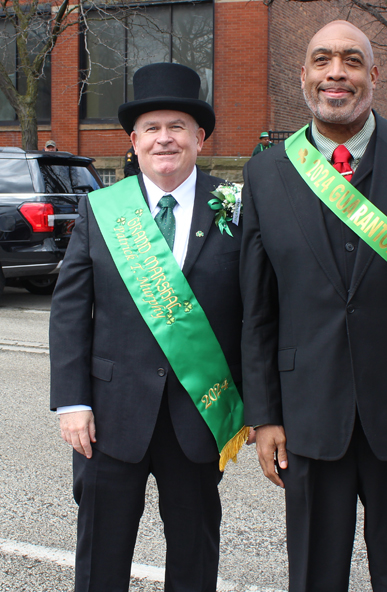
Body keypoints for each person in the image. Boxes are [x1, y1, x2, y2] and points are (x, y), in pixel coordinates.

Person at [240, 20, 387, 592]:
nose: (335, 74)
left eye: (350, 60)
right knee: (315, 574)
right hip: (307, 414)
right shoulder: (265, 172)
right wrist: (263, 415)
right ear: (304, 76)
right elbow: (258, 308)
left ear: (373, 75)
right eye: (322, 61)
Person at [50, 62, 246, 592]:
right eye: (153, 128)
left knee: (194, 556)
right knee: (100, 558)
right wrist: (72, 403)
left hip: (199, 417)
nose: (165, 139)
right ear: (133, 141)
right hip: (110, 418)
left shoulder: (235, 209)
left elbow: (258, 315)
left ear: (200, 138)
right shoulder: (100, 210)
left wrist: (259, 407)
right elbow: (70, 312)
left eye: (178, 127)